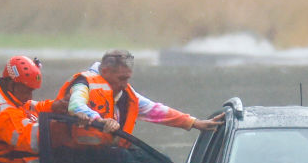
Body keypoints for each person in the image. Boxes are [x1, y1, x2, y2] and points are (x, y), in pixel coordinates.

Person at [56, 49, 223, 146]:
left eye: (128, 78)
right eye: (122, 78)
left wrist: (194, 123)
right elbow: (76, 105)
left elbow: (155, 110)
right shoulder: (83, 84)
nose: (125, 84)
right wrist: (101, 120)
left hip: (109, 152)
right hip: (77, 155)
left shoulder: (124, 92)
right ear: (105, 72)